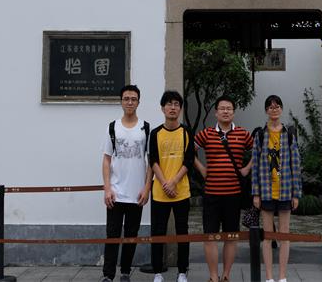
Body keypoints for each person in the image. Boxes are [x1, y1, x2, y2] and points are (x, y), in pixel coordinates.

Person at [194, 95, 253, 282]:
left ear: (233, 112)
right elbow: (188, 151)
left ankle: (226, 275)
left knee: (231, 236)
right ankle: (213, 277)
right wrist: (202, 169)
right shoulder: (206, 133)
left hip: (233, 194)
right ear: (216, 112)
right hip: (211, 193)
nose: (226, 111)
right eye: (222, 108)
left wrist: (247, 168)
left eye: (229, 108)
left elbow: (259, 150)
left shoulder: (242, 134)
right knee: (209, 236)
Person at [102, 85, 152, 282]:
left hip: (137, 193)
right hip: (115, 193)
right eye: (126, 99)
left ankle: (125, 272)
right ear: (121, 101)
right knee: (112, 235)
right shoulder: (112, 127)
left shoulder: (145, 128)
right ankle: (108, 275)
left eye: (133, 99)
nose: (130, 102)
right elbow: (106, 159)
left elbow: (151, 162)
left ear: (138, 102)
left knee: (132, 235)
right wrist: (107, 188)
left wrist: (147, 188)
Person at [251, 95, 302, 282]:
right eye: (271, 107)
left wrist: (296, 194)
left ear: (281, 109)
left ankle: (282, 277)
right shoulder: (260, 134)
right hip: (266, 191)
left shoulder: (289, 134)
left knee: (284, 235)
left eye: (277, 106)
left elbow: (296, 165)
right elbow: (255, 166)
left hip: (285, 190)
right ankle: (269, 277)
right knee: (267, 237)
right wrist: (255, 193)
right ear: (266, 110)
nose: (274, 109)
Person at [149, 90, 195, 282]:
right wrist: (165, 183)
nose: (173, 107)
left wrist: (174, 182)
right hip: (160, 192)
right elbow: (153, 160)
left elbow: (189, 160)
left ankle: (182, 271)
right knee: (157, 232)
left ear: (180, 108)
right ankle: (157, 272)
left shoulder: (186, 132)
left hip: (181, 191)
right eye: (169, 104)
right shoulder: (155, 133)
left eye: (176, 104)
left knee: (182, 232)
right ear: (163, 108)